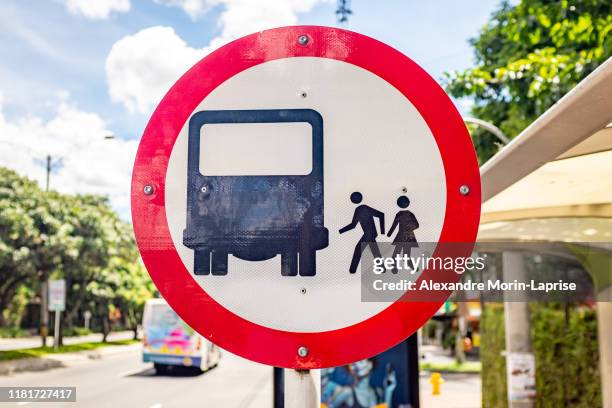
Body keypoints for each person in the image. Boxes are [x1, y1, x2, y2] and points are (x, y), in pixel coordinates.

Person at [339, 192, 385, 274]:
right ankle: (382, 268)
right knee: (374, 250)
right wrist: (341, 231)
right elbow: (353, 225)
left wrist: (382, 231)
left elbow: (381, 215)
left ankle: (352, 270)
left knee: (358, 249)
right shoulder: (360, 209)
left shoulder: (361, 209)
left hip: (369, 234)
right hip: (370, 233)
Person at [387, 196, 419, 273]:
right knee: (406, 256)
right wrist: (409, 229)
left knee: (396, 254)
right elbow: (417, 225)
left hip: (400, 236)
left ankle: (394, 269)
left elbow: (393, 226)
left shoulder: (399, 214)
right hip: (409, 237)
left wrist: (389, 234)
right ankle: (413, 267)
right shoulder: (410, 214)